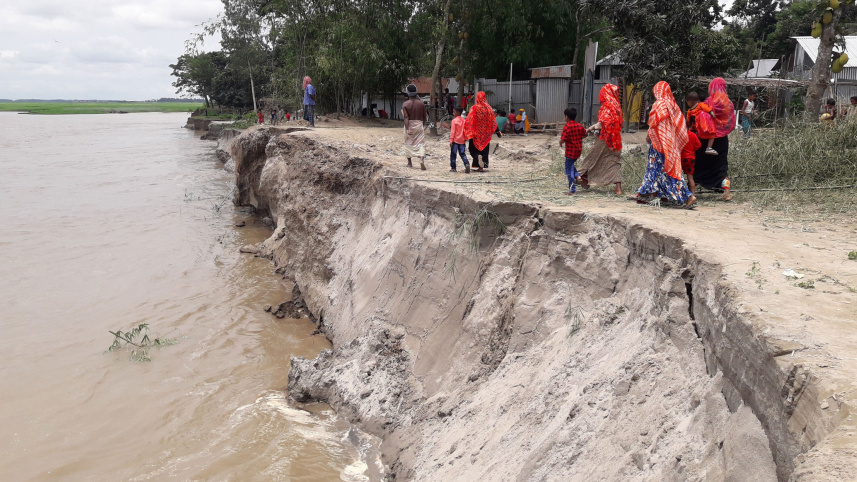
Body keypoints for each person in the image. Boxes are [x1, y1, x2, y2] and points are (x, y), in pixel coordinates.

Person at [635, 81, 697, 208]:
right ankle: (653, 194)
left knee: (657, 169)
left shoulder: (659, 104)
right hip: (670, 143)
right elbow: (680, 123)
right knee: (668, 169)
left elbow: (653, 124)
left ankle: (688, 196)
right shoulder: (673, 105)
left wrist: (648, 136)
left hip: (658, 144)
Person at [694, 77, 736, 201]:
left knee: (699, 164)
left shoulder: (708, 102)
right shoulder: (729, 104)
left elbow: (699, 118)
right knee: (722, 165)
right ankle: (726, 192)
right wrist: (722, 130)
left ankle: (693, 190)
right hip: (722, 140)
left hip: (706, 139)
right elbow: (731, 122)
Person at [578, 84, 623, 195]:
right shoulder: (617, 106)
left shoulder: (607, 106)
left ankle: (579, 176)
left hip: (604, 138)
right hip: (616, 139)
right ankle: (618, 189)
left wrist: (589, 129)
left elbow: (603, 123)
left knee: (592, 158)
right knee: (613, 161)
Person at [465, 92, 501, 172]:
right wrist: (498, 132)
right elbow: (493, 122)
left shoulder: (474, 108)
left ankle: (477, 157)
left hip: (476, 134)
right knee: (484, 150)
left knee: (473, 149)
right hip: (485, 135)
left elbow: (469, 120)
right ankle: (481, 167)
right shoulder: (489, 109)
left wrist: (466, 132)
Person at [559, 107, 586, 195]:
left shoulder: (567, 127)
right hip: (578, 151)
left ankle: (572, 190)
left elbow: (563, 139)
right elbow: (585, 134)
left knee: (568, 170)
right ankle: (578, 176)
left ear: (566, 117)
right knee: (570, 165)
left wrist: (561, 143)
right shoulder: (579, 126)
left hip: (570, 152)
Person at [401, 83, 427, 170]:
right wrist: (422, 126)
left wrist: (407, 128)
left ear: (407, 93)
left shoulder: (405, 104)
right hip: (419, 124)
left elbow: (406, 117)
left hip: (410, 125)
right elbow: (424, 117)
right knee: (421, 144)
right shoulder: (421, 104)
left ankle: (409, 163)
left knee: (408, 143)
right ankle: (421, 160)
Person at [449, 106, 470, 173]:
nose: (453, 113)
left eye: (454, 112)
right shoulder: (464, 121)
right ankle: (466, 163)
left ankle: (453, 168)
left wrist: (451, 140)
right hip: (462, 141)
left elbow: (453, 132)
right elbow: (466, 131)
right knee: (462, 154)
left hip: (455, 141)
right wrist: (465, 138)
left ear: (458, 112)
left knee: (453, 154)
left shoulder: (454, 121)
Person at [681, 130, 702, 194]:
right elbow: (699, 145)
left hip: (682, 157)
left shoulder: (680, 135)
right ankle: (693, 195)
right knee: (690, 178)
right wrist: (692, 149)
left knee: (679, 177)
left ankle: (681, 194)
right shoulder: (693, 134)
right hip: (691, 158)